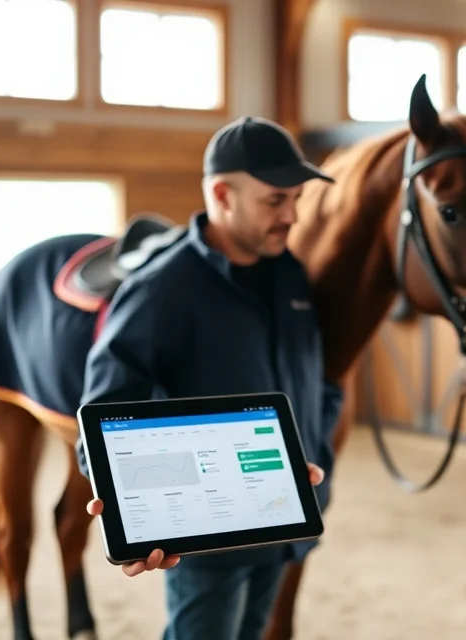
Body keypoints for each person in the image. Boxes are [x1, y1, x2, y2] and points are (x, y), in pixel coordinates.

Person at [75, 116, 344, 640]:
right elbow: (102, 418)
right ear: (223, 194)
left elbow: (318, 379)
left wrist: (316, 451)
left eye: (296, 199)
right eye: (275, 201)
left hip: (284, 521)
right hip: (207, 542)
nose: (291, 216)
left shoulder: (291, 274)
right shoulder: (161, 290)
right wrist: (133, 516)